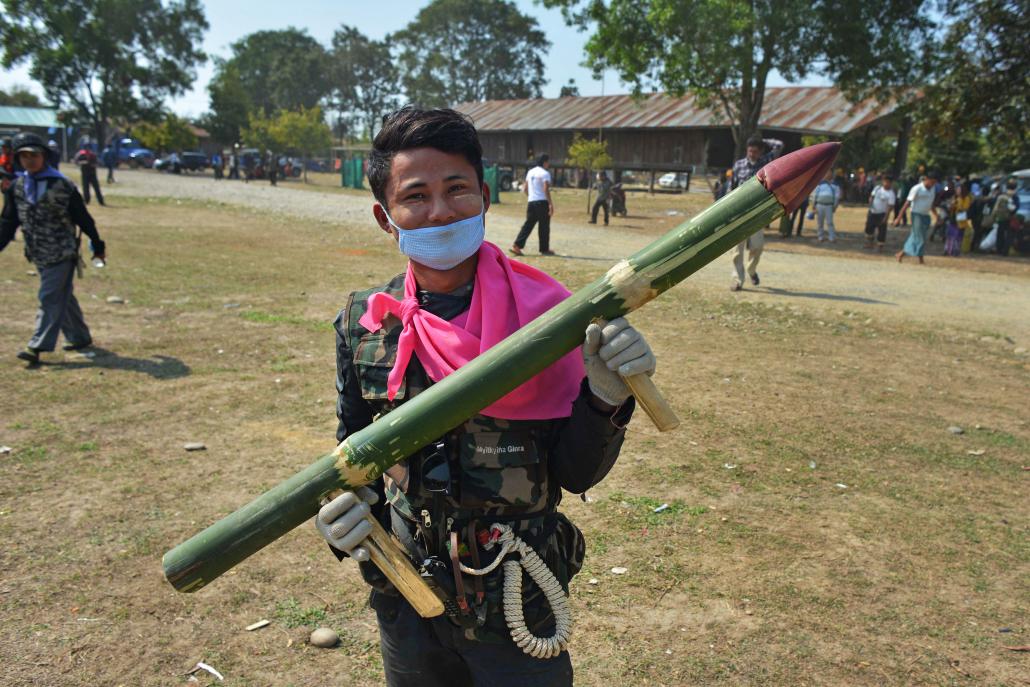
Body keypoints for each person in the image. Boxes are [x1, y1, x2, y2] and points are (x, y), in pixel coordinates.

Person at [317, 107, 653, 687]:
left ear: (486, 196)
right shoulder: (366, 325)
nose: (441, 210)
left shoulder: (549, 321)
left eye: (457, 189)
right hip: (408, 594)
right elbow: (352, 451)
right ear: (385, 216)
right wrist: (344, 519)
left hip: (517, 598)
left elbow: (575, 473)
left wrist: (604, 394)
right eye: (416, 196)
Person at [0, 132, 106, 364]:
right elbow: (8, 221)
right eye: (24, 156)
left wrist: (97, 244)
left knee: (49, 296)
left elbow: (84, 219)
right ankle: (79, 336)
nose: (30, 160)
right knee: (62, 296)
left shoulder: (62, 185)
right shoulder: (17, 187)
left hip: (62, 252)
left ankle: (37, 345)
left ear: (44, 156)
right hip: (38, 253)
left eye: (34, 155)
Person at [729, 135, 782, 290]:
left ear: (760, 152)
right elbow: (731, 187)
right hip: (739, 212)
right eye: (750, 150)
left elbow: (779, 144)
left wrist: (763, 141)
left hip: (758, 213)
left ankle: (751, 270)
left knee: (757, 246)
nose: (751, 154)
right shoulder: (738, 165)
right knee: (737, 250)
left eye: (755, 151)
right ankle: (738, 280)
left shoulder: (765, 163)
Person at [511, 154, 554, 256]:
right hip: (542, 202)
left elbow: (525, 189)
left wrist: (531, 197)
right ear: (544, 162)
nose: (549, 164)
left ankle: (517, 245)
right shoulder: (545, 173)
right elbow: (545, 189)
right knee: (544, 226)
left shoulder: (530, 172)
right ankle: (544, 249)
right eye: (548, 161)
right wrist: (550, 204)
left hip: (531, 201)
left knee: (528, 224)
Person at [893, 170, 939, 264]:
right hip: (916, 214)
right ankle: (921, 259)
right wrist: (898, 218)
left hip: (926, 215)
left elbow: (931, 204)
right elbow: (907, 203)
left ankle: (900, 254)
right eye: (932, 182)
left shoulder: (933, 189)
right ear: (927, 179)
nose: (933, 184)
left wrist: (936, 215)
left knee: (916, 236)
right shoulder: (917, 188)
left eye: (935, 183)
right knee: (920, 237)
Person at [864, 174, 896, 251]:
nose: (886, 183)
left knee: (882, 230)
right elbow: (872, 196)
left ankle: (880, 246)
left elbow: (890, 206)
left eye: (888, 182)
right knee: (869, 228)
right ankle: (870, 243)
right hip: (872, 212)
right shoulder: (877, 188)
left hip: (882, 214)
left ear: (891, 183)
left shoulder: (891, 194)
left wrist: (886, 217)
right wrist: (870, 202)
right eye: (885, 181)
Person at [810, 170, 840, 243]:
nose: (828, 175)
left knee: (830, 222)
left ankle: (832, 238)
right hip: (819, 204)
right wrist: (813, 205)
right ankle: (820, 237)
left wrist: (835, 206)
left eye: (830, 173)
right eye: (826, 173)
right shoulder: (819, 184)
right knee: (820, 222)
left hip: (829, 205)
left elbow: (837, 196)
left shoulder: (835, 185)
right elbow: (814, 194)